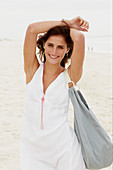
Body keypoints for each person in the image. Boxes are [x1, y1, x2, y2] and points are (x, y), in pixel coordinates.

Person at [20, 16, 89, 170]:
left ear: (67, 50)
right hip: (32, 148)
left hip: (63, 149)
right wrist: (68, 23)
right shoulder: (32, 71)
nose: (54, 51)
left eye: (60, 47)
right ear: (43, 45)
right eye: (50, 45)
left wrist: (70, 28)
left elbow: (79, 37)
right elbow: (32, 29)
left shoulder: (70, 77)